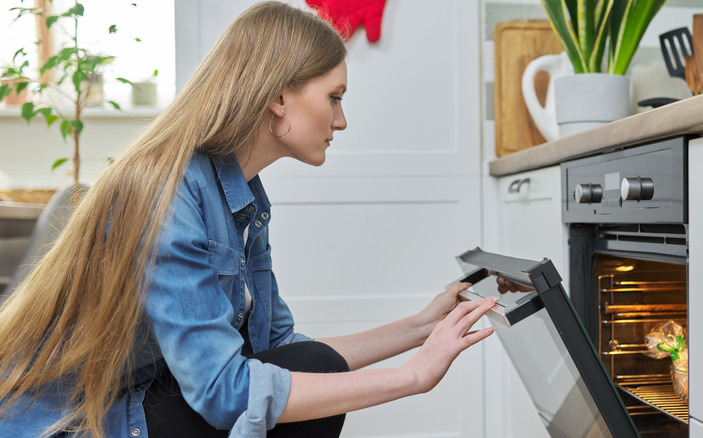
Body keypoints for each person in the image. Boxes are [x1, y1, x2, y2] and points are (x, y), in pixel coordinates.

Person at [0, 2, 498, 437]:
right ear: (280, 98)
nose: (341, 120)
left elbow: (278, 347)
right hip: (83, 424)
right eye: (335, 97)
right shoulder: (168, 192)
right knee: (307, 385)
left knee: (310, 371)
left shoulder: (242, 199)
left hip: (139, 399)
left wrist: (419, 327)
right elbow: (222, 390)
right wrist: (413, 377)